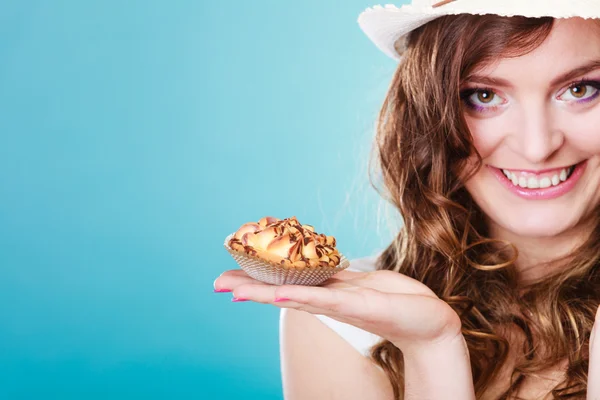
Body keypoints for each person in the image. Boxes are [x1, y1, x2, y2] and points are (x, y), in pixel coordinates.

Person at [213, 0, 600, 398]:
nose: (537, 146)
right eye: (483, 95)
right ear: (428, 115)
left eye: (580, 89)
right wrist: (430, 350)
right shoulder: (344, 322)